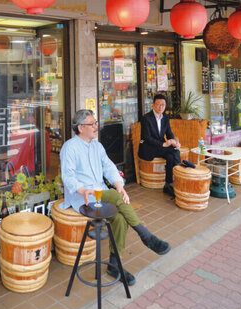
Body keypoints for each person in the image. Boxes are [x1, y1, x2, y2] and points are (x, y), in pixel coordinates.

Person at [60, 110, 171, 286]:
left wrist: (119, 185)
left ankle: (114, 264)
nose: (96, 127)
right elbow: (67, 176)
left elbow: (109, 167)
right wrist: (81, 190)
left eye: (96, 123)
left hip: (100, 194)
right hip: (83, 197)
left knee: (119, 219)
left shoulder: (97, 146)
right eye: (92, 124)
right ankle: (145, 235)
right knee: (112, 194)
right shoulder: (70, 147)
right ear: (80, 128)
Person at [138, 94, 181, 197]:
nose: (161, 107)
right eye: (158, 104)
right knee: (173, 152)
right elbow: (146, 137)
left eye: (163, 104)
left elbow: (169, 133)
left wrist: (175, 142)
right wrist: (163, 143)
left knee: (172, 154)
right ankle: (179, 178)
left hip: (160, 147)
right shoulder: (146, 118)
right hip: (148, 148)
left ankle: (168, 184)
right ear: (153, 105)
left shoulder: (165, 117)